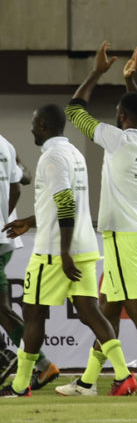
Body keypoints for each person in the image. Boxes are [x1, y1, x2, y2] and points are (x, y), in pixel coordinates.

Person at [52, 44, 137, 397]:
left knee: (136, 307)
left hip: (123, 234)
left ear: (123, 116)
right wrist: (129, 81)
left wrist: (97, 72)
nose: (115, 116)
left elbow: (74, 110)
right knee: (109, 307)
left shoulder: (118, 140)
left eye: (117, 112)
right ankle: (88, 382)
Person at [0, 105, 135, 398]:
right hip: (84, 247)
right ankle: (124, 375)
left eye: (35, 123)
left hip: (54, 252)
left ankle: (20, 386)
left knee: (33, 314)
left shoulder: (52, 157)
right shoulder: (74, 153)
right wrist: (30, 221)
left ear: (44, 126)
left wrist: (63, 252)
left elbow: (65, 204)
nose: (31, 128)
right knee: (91, 312)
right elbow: (61, 203)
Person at [0, 133, 59, 390]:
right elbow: (22, 180)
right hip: (4, 236)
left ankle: (6, 358)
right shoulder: (5, 143)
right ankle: (43, 366)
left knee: (2, 310)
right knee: (2, 309)